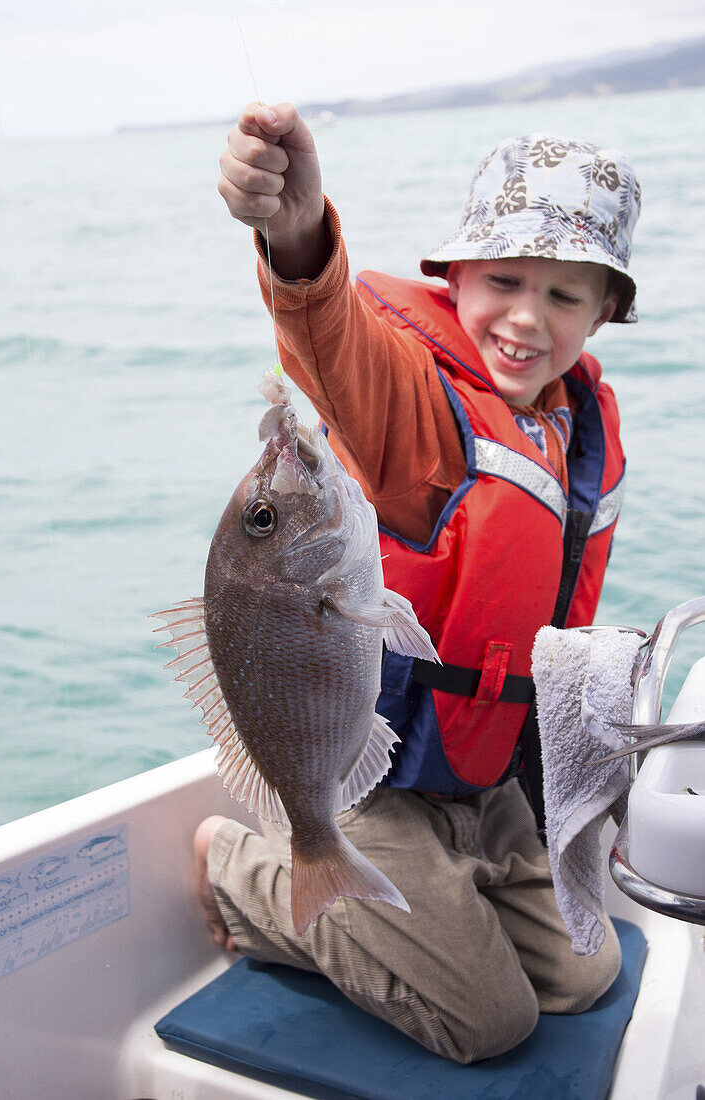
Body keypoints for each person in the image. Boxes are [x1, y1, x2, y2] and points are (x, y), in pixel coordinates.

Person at [194, 102, 641, 1063]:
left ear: (605, 311)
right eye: (505, 280)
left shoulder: (572, 425)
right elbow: (332, 340)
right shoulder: (417, 422)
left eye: (566, 295)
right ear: (453, 277)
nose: (527, 317)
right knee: (490, 1023)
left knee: (585, 974)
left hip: (480, 781)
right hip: (374, 779)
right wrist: (296, 231)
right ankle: (247, 871)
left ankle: (443, 892)